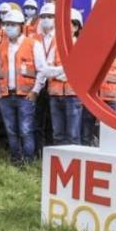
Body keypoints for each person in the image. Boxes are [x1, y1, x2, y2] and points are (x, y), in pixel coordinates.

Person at [0, 8, 42, 164]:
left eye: (13, 24)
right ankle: (16, 159)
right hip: (6, 96)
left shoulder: (33, 44)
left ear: (21, 26)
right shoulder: (2, 46)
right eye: (7, 24)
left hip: (25, 96)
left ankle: (29, 161)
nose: (9, 27)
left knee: (25, 130)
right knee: (11, 131)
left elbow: (41, 70)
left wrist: (35, 91)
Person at [37, 8, 83, 145]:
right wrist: (65, 71)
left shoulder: (82, 46)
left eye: (68, 24)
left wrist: (58, 72)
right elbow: (45, 70)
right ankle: (59, 165)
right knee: (57, 134)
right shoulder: (56, 45)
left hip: (73, 96)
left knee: (73, 135)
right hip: (55, 95)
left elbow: (81, 71)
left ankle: (74, 164)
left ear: (76, 26)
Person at [31, 3, 56, 153]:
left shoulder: (61, 38)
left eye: (50, 17)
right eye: (43, 17)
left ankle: (51, 153)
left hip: (55, 84)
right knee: (37, 120)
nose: (46, 19)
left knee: (53, 122)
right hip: (37, 84)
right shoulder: (33, 38)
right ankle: (38, 153)